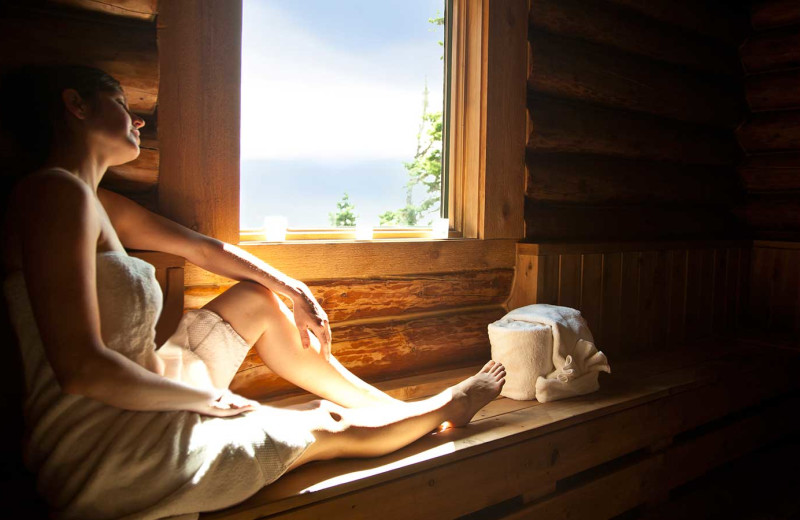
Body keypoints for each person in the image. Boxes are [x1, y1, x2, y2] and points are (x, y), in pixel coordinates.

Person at [0, 65, 505, 520]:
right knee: (322, 423)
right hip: (108, 447)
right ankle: (445, 408)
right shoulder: (53, 194)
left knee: (254, 299)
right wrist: (210, 401)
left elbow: (201, 248)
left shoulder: (88, 200)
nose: (139, 122)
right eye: (123, 106)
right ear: (76, 105)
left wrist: (291, 287)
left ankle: (387, 411)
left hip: (144, 384)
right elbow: (82, 369)